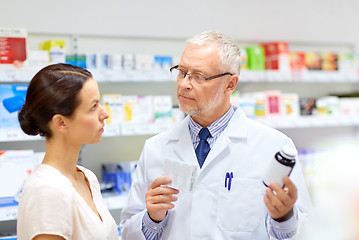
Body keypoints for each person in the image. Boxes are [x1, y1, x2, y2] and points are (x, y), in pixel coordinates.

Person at [120, 30, 312, 239]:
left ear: (230, 84)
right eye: (182, 71)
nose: (184, 83)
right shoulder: (155, 148)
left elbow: (305, 232)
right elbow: (128, 230)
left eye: (199, 76)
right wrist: (152, 218)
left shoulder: (274, 147)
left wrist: (284, 218)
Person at [17, 63, 118, 240]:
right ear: (61, 123)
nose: (105, 114)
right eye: (93, 107)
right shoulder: (47, 190)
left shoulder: (87, 177)